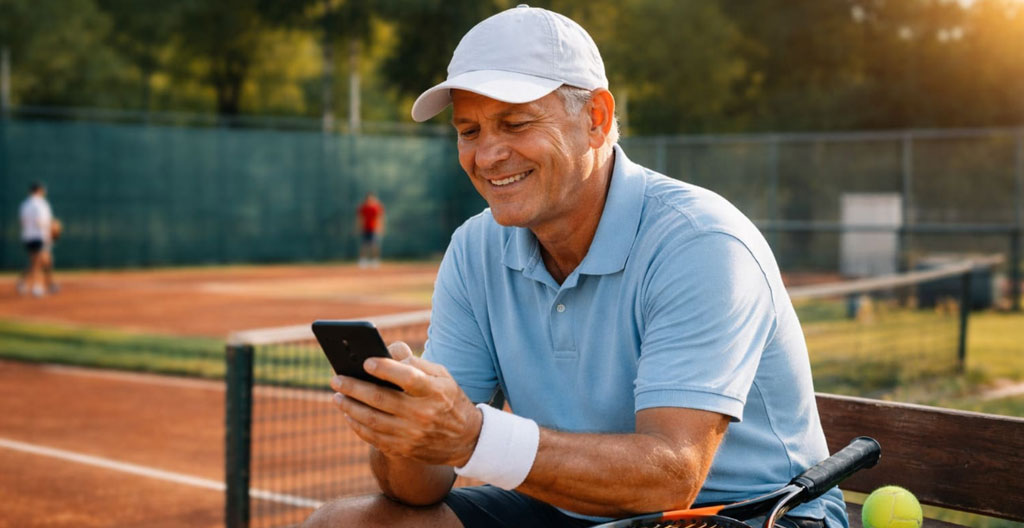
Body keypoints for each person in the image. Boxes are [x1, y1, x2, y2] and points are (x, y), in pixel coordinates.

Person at [304, 6, 847, 528]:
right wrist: (404, 432)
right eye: (469, 131)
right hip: (572, 509)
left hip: (752, 514)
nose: (487, 154)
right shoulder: (474, 248)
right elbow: (420, 488)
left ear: (596, 118)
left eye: (514, 123)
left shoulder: (701, 242)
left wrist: (472, 437)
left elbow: (670, 478)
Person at [17, 182, 58, 297]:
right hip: (39, 236)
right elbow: (40, 221)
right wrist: (51, 229)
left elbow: (22, 221)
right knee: (38, 262)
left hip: (28, 236)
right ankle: (37, 287)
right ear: (39, 190)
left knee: (45, 260)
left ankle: (48, 283)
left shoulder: (24, 204)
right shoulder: (41, 204)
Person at [356, 192, 386, 268]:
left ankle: (375, 261)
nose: (370, 200)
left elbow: (380, 218)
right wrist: (359, 227)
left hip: (374, 229)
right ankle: (363, 261)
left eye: (371, 198)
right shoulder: (363, 207)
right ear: (366, 199)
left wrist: (381, 227)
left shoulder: (376, 207)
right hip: (365, 228)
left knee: (374, 245)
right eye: (368, 198)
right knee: (364, 245)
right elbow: (360, 218)